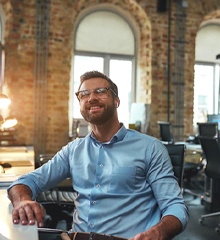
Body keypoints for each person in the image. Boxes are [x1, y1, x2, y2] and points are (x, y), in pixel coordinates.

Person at [8, 70, 189, 240]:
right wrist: (22, 201)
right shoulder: (74, 150)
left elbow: (175, 206)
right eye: (84, 95)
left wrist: (158, 232)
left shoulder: (150, 148)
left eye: (100, 91)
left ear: (117, 100)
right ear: (79, 104)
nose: (92, 98)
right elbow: (25, 182)